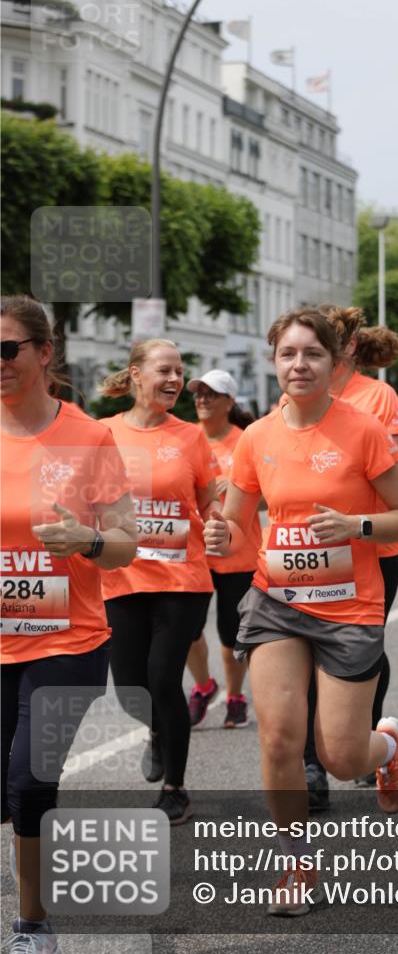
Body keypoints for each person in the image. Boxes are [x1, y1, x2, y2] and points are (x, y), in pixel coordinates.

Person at [206, 307, 398, 915]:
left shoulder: (363, 430)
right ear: (274, 362)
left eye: (312, 355)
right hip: (276, 602)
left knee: (341, 755)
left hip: (349, 607)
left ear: (334, 363)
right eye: (287, 355)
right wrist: (221, 537)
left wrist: (355, 524)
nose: (298, 365)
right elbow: (239, 527)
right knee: (279, 739)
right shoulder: (257, 437)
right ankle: (297, 866)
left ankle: (388, 748)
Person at [1, 296, 137, 953]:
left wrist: (86, 540)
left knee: (29, 780)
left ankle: (32, 925)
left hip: (68, 641)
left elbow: (127, 544)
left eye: (8, 349)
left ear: (43, 353)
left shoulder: (89, 436)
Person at [98, 339, 227, 825]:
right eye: (164, 370)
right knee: (131, 686)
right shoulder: (102, 433)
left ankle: (175, 788)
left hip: (181, 579)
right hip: (121, 578)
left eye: (180, 371)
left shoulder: (192, 438)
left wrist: (220, 524)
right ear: (135, 375)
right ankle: (158, 730)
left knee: (162, 679)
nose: (175, 379)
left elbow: (210, 504)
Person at [307, 305, 398, 796]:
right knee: (306, 649)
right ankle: (312, 766)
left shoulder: (378, 396)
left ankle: (361, 733)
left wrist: (356, 507)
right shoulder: (300, 393)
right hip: (308, 547)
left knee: (358, 648)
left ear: (347, 347)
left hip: (372, 544)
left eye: (322, 342)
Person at [185, 369, 260, 729]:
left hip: (237, 555)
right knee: (185, 630)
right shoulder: (185, 439)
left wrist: (242, 491)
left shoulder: (247, 440)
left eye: (211, 394)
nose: (202, 400)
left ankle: (234, 697)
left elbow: (273, 495)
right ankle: (203, 686)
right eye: (198, 393)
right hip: (192, 555)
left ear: (229, 402)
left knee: (231, 638)